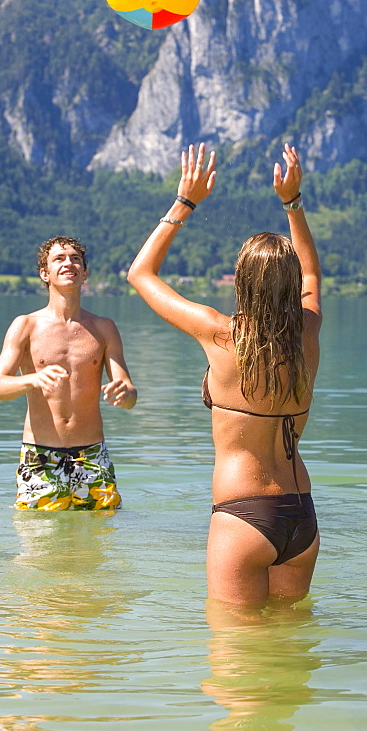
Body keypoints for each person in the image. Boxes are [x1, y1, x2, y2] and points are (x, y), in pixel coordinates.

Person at [127, 143, 322, 605]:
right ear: (292, 285)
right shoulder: (308, 334)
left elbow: (140, 274)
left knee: (232, 661)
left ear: (240, 281)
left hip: (244, 515)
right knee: (291, 652)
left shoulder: (220, 335)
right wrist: (292, 202)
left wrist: (186, 201)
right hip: (301, 516)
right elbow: (313, 276)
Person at [0, 236, 137, 510]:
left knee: (99, 545)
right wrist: (33, 378)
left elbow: (129, 395)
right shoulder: (26, 326)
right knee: (37, 545)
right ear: (45, 273)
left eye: (75, 258)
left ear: (85, 273)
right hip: (40, 457)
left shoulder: (104, 328)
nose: (68, 263)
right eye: (59, 258)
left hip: (92, 456)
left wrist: (124, 393)